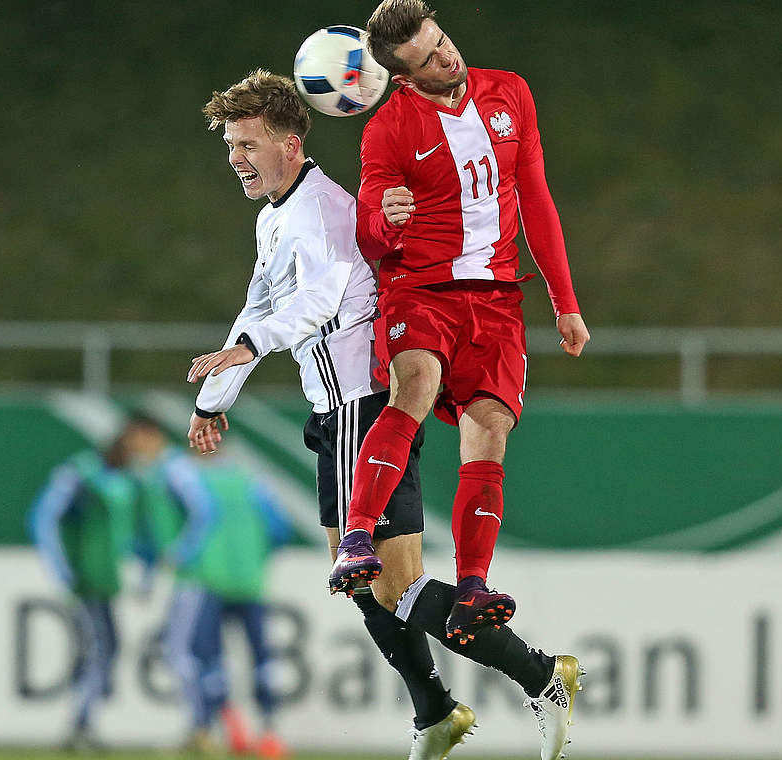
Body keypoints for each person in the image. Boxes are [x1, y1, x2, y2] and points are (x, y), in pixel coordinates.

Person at [184, 69, 572, 760]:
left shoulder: (322, 212)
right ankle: (437, 709)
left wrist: (249, 347)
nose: (236, 157)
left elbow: (320, 300)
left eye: (247, 141)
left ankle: (534, 676)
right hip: (341, 413)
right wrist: (212, 399)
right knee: (367, 580)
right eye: (230, 144)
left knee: (384, 582)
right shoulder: (276, 212)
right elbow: (262, 298)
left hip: (363, 410)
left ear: (292, 141)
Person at [334, 2, 588, 756]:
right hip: (422, 290)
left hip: (499, 299)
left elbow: (536, 200)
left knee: (490, 431)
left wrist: (564, 301)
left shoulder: (510, 92)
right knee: (413, 384)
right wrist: (389, 217)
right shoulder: (387, 128)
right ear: (402, 76)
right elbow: (372, 234)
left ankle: (473, 586)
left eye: (443, 43)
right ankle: (356, 537)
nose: (448, 59)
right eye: (429, 56)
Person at [124, 413, 288, 756]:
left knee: (205, 656)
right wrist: (256, 557)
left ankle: (228, 726)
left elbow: (196, 516)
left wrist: (179, 555)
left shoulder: (184, 475)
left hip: (206, 579)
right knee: (260, 657)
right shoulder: (250, 479)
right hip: (250, 580)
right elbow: (279, 527)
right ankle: (270, 733)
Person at [28, 436, 138, 750]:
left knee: (108, 646)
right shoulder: (81, 477)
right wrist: (61, 568)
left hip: (103, 579)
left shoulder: (118, 482)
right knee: (100, 647)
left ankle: (84, 719)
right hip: (85, 578)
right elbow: (44, 517)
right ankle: (80, 723)